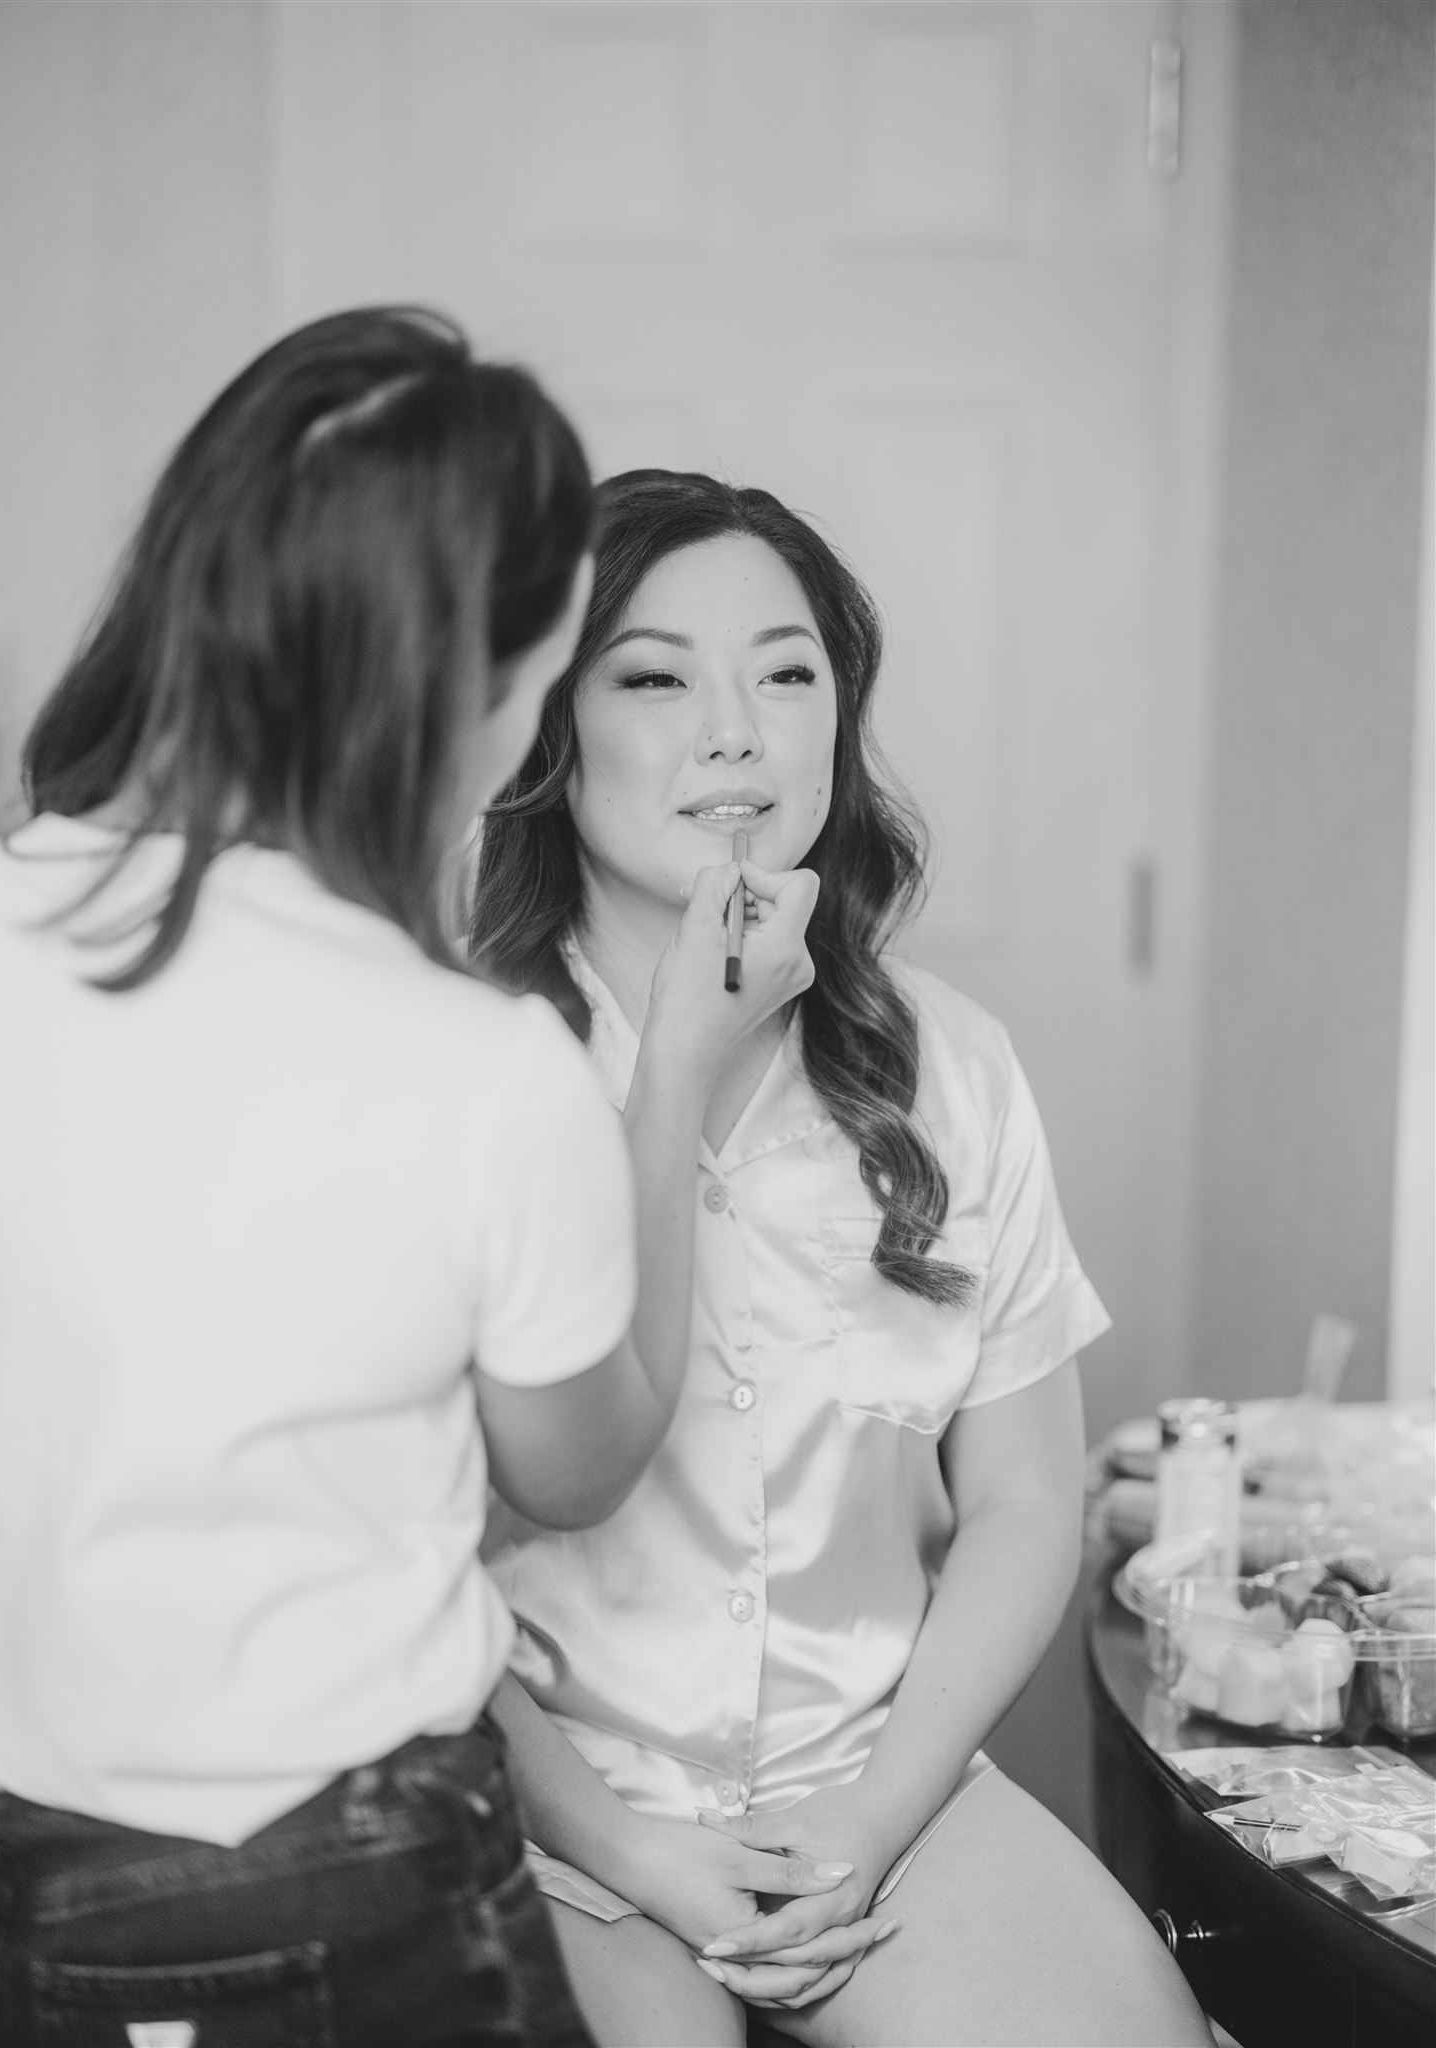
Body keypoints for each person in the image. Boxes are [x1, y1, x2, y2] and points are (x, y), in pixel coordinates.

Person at [0, 319, 852, 2048]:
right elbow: (577, 1467)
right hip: (326, 1896)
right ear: (478, 696)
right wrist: (682, 1074)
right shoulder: (472, 1069)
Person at [470, 470, 1215, 2047]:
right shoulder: (457, 1068)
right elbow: (397, 1570)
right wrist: (622, 1847)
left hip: (870, 1782)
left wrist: (870, 1824)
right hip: (556, 1807)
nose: (734, 730)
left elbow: (1023, 1504)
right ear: (553, 726)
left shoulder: (955, 1066)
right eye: (656, 674)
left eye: (788, 671)